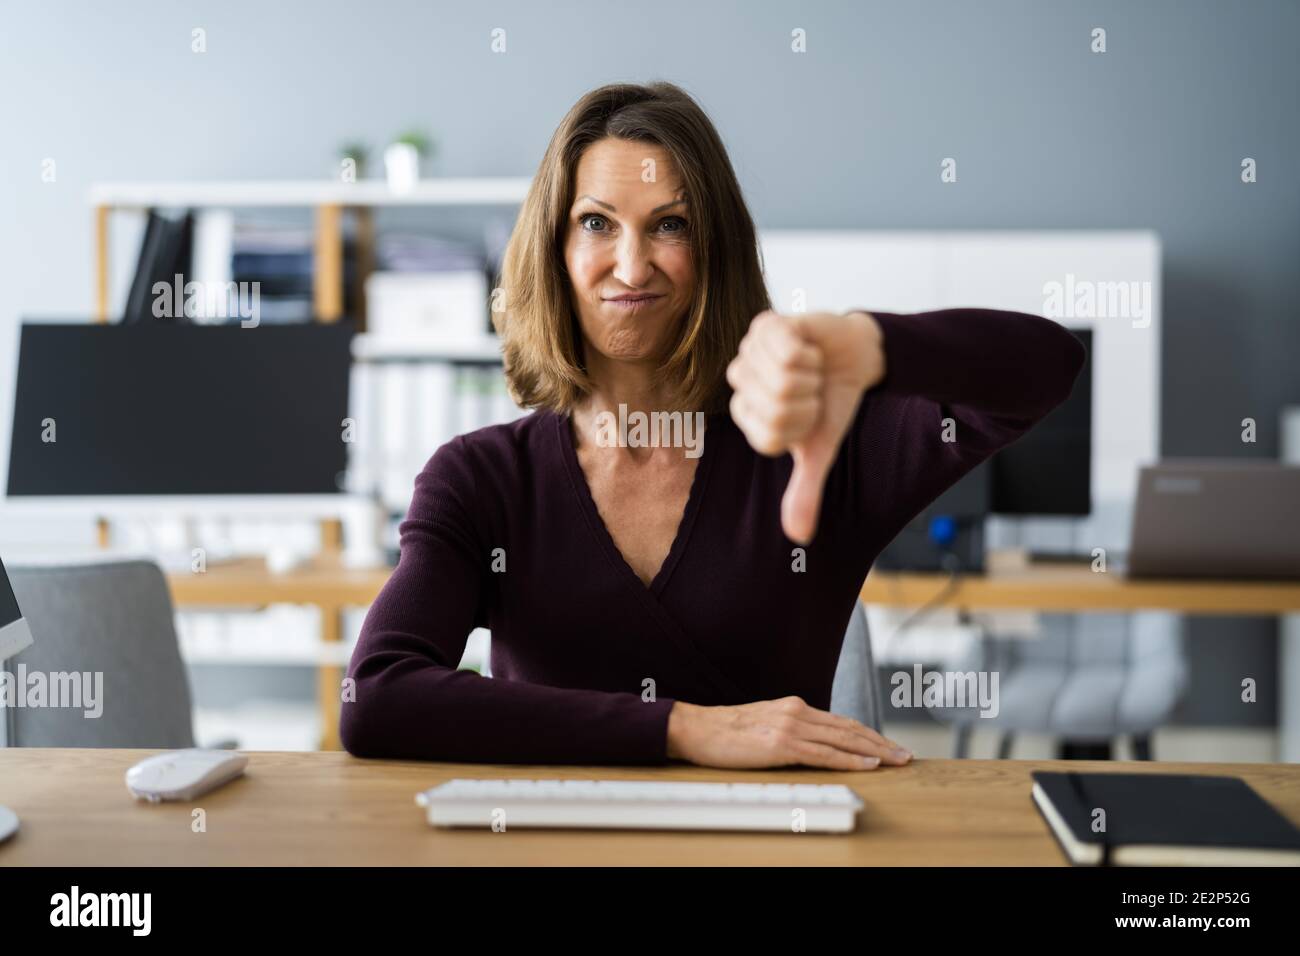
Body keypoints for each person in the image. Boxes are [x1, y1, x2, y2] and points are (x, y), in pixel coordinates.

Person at [340, 81, 1085, 769]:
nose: (631, 268)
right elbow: (376, 698)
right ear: (555, 249)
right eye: (596, 222)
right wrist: (685, 729)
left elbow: (1049, 364)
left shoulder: (818, 448)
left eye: (670, 225)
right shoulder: (481, 479)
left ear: (714, 252)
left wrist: (869, 342)